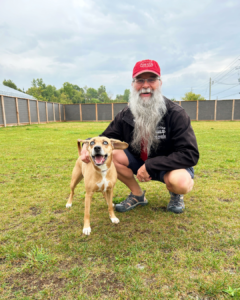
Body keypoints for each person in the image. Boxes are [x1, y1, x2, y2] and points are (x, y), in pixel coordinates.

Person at [81, 59, 199, 214]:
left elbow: (190, 154)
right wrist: (87, 144)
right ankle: (137, 195)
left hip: (169, 166)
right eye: (140, 80)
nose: (145, 85)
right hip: (139, 161)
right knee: (110, 154)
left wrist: (151, 165)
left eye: (151, 79)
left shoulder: (176, 113)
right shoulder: (126, 114)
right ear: (133, 84)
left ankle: (176, 195)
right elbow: (105, 137)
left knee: (181, 182)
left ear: (160, 83)